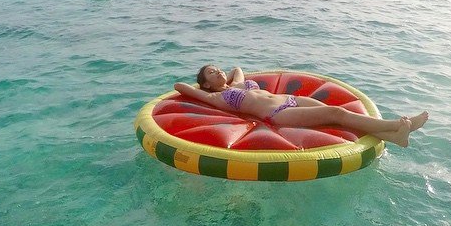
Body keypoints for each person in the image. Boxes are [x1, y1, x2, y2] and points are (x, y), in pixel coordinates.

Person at [173, 65, 428, 148]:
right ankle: (397, 125)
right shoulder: (215, 98)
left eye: (217, 69)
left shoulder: (235, 84)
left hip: (290, 100)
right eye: (211, 73)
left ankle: (396, 138)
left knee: (336, 120)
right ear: (205, 84)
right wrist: (207, 88)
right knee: (336, 113)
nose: (218, 72)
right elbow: (180, 86)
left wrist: (227, 80)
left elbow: (237, 69)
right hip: (279, 113)